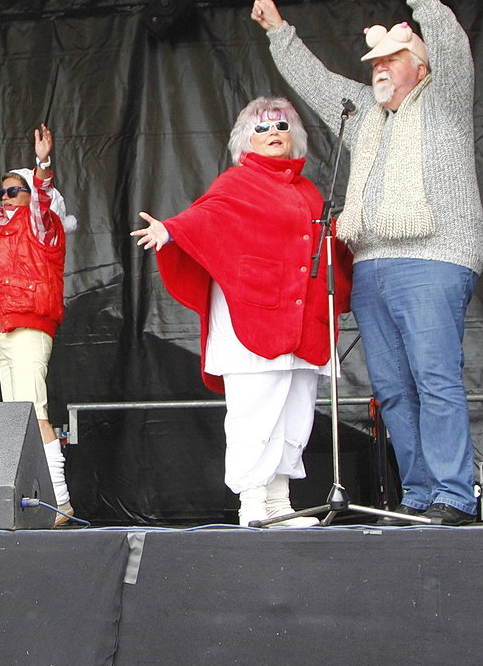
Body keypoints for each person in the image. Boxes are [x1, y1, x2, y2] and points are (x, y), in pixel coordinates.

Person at [250, 0, 483, 526]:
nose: (379, 68)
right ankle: (419, 494)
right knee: (394, 390)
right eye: (375, 62)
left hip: (433, 259)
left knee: (434, 380)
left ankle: (456, 495)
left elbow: (453, 48)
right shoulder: (362, 115)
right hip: (373, 264)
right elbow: (316, 83)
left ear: (420, 67)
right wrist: (279, 32)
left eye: (391, 59)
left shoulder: (444, 99)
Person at [133, 98, 351, 527]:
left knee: (294, 415)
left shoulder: (308, 192)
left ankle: (279, 506)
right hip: (253, 320)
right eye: (261, 128)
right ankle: (252, 505)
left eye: (281, 126)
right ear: (246, 140)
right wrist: (170, 231)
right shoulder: (236, 183)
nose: (273, 133)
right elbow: (203, 218)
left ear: (294, 135)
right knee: (256, 415)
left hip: (302, 323)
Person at [0, 124, 75, 520]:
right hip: (6, 332)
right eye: (3, 192)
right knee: (18, 418)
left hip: (29, 327)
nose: (5, 198)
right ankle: (35, 502)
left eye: (13, 191)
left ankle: (61, 501)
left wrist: (42, 164)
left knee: (36, 413)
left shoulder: (41, 225)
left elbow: (41, 197)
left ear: (30, 194)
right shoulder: (4, 231)